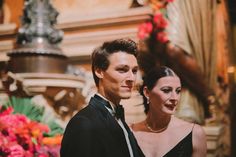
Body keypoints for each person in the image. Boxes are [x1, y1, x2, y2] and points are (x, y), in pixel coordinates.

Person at [60, 38, 145, 157]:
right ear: (99, 71)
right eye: (122, 70)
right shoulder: (84, 124)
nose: (131, 78)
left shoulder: (120, 121)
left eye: (134, 71)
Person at [130, 66, 207, 157]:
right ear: (147, 92)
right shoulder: (130, 132)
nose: (175, 98)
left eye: (178, 91)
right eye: (166, 90)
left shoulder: (195, 134)